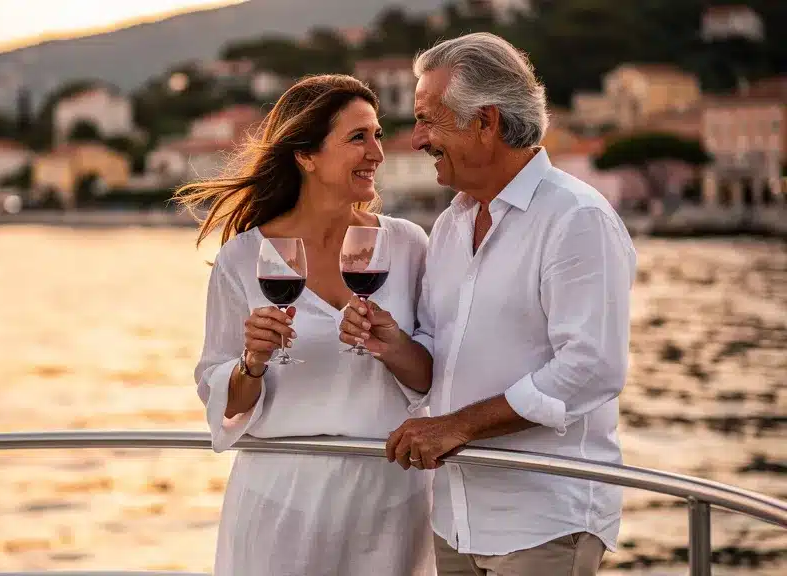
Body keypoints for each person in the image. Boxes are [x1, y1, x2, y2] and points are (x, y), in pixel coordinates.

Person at [338, 33, 637, 576]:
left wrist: (458, 427)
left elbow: (592, 368)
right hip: (455, 519)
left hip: (544, 522)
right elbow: (436, 361)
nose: (416, 139)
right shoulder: (451, 225)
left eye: (429, 120)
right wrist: (394, 344)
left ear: (486, 122)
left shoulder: (576, 218)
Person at [175, 74, 436, 576]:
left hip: (389, 502)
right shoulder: (242, 258)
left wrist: (391, 343)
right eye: (358, 137)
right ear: (306, 155)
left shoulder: (408, 245)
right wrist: (251, 363)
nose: (377, 153)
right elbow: (223, 401)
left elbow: (429, 378)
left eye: (378, 135)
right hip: (281, 501)